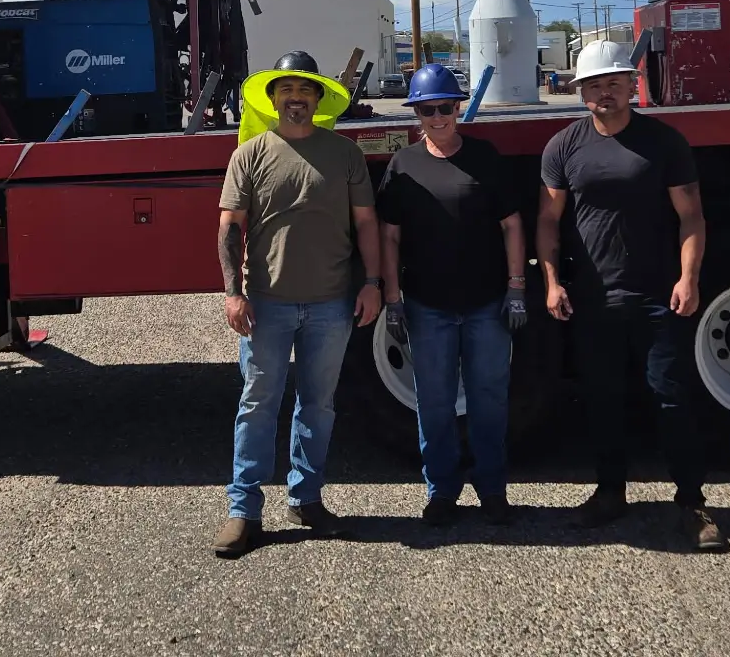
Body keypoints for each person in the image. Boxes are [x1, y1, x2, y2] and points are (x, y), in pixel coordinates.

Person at [535, 39, 729, 553]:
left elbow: (691, 216)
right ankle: (609, 492)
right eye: (595, 85)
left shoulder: (663, 142)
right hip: (593, 298)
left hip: (656, 295)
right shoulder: (564, 147)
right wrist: (553, 282)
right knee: (601, 399)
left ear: (631, 86)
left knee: (670, 396)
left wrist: (688, 279)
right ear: (580, 92)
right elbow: (548, 221)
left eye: (614, 83)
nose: (605, 93)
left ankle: (691, 503)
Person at [212, 51, 383, 558]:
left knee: (319, 405)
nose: (296, 99)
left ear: (318, 99)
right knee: (257, 406)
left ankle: (305, 499)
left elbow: (367, 224)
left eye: (306, 91)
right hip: (267, 305)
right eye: (287, 91)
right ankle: (243, 511)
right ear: (273, 99)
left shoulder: (344, 153)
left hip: (332, 304)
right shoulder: (251, 153)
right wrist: (232, 293)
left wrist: (372, 282)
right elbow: (228, 227)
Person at [376, 64, 527, 527]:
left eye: (444, 107)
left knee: (489, 401)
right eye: (427, 109)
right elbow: (390, 239)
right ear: (416, 114)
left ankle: (492, 490)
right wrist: (393, 299)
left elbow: (512, 226)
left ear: (459, 108)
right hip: (427, 308)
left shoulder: (485, 157)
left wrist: (517, 289)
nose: (437, 116)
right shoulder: (403, 165)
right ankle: (441, 491)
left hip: (485, 305)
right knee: (435, 404)